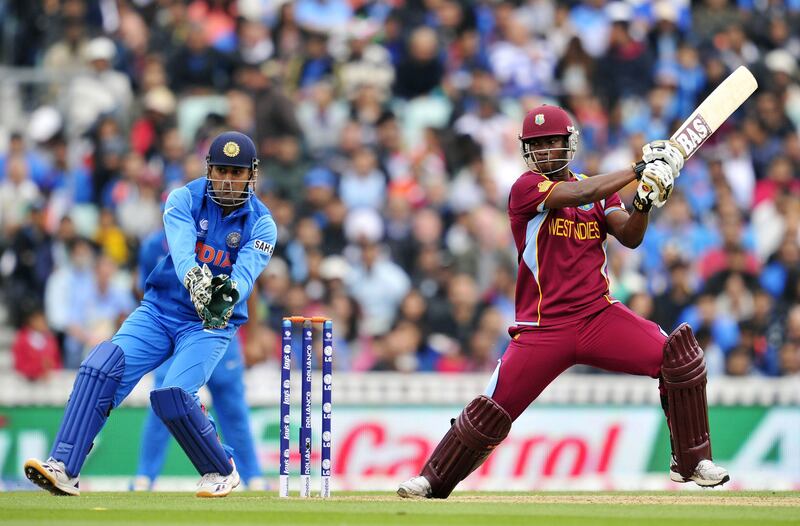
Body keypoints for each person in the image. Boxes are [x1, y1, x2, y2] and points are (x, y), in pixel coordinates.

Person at [397, 105, 729, 499]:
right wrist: (640, 169)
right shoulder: (526, 188)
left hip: (599, 316)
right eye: (537, 144)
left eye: (552, 141)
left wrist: (643, 201)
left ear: (568, 142)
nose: (546, 151)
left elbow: (630, 237)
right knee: (492, 410)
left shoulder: (599, 191)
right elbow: (581, 192)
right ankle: (433, 481)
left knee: (678, 357)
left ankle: (692, 463)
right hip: (543, 327)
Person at [24, 131, 277, 498]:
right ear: (209, 169)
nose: (227, 179)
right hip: (160, 310)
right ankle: (63, 468)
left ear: (252, 175)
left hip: (209, 323)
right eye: (221, 169)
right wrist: (194, 277)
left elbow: (246, 272)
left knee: (173, 393)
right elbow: (181, 247)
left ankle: (221, 469)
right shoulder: (183, 199)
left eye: (236, 173)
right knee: (101, 367)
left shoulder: (262, 223)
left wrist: (226, 294)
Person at [130, 225, 264, 491]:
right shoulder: (152, 246)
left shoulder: (222, 238)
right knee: (162, 402)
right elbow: (145, 288)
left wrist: (255, 336)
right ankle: (145, 476)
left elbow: (251, 288)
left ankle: (254, 477)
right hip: (176, 334)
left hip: (221, 335)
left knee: (233, 408)